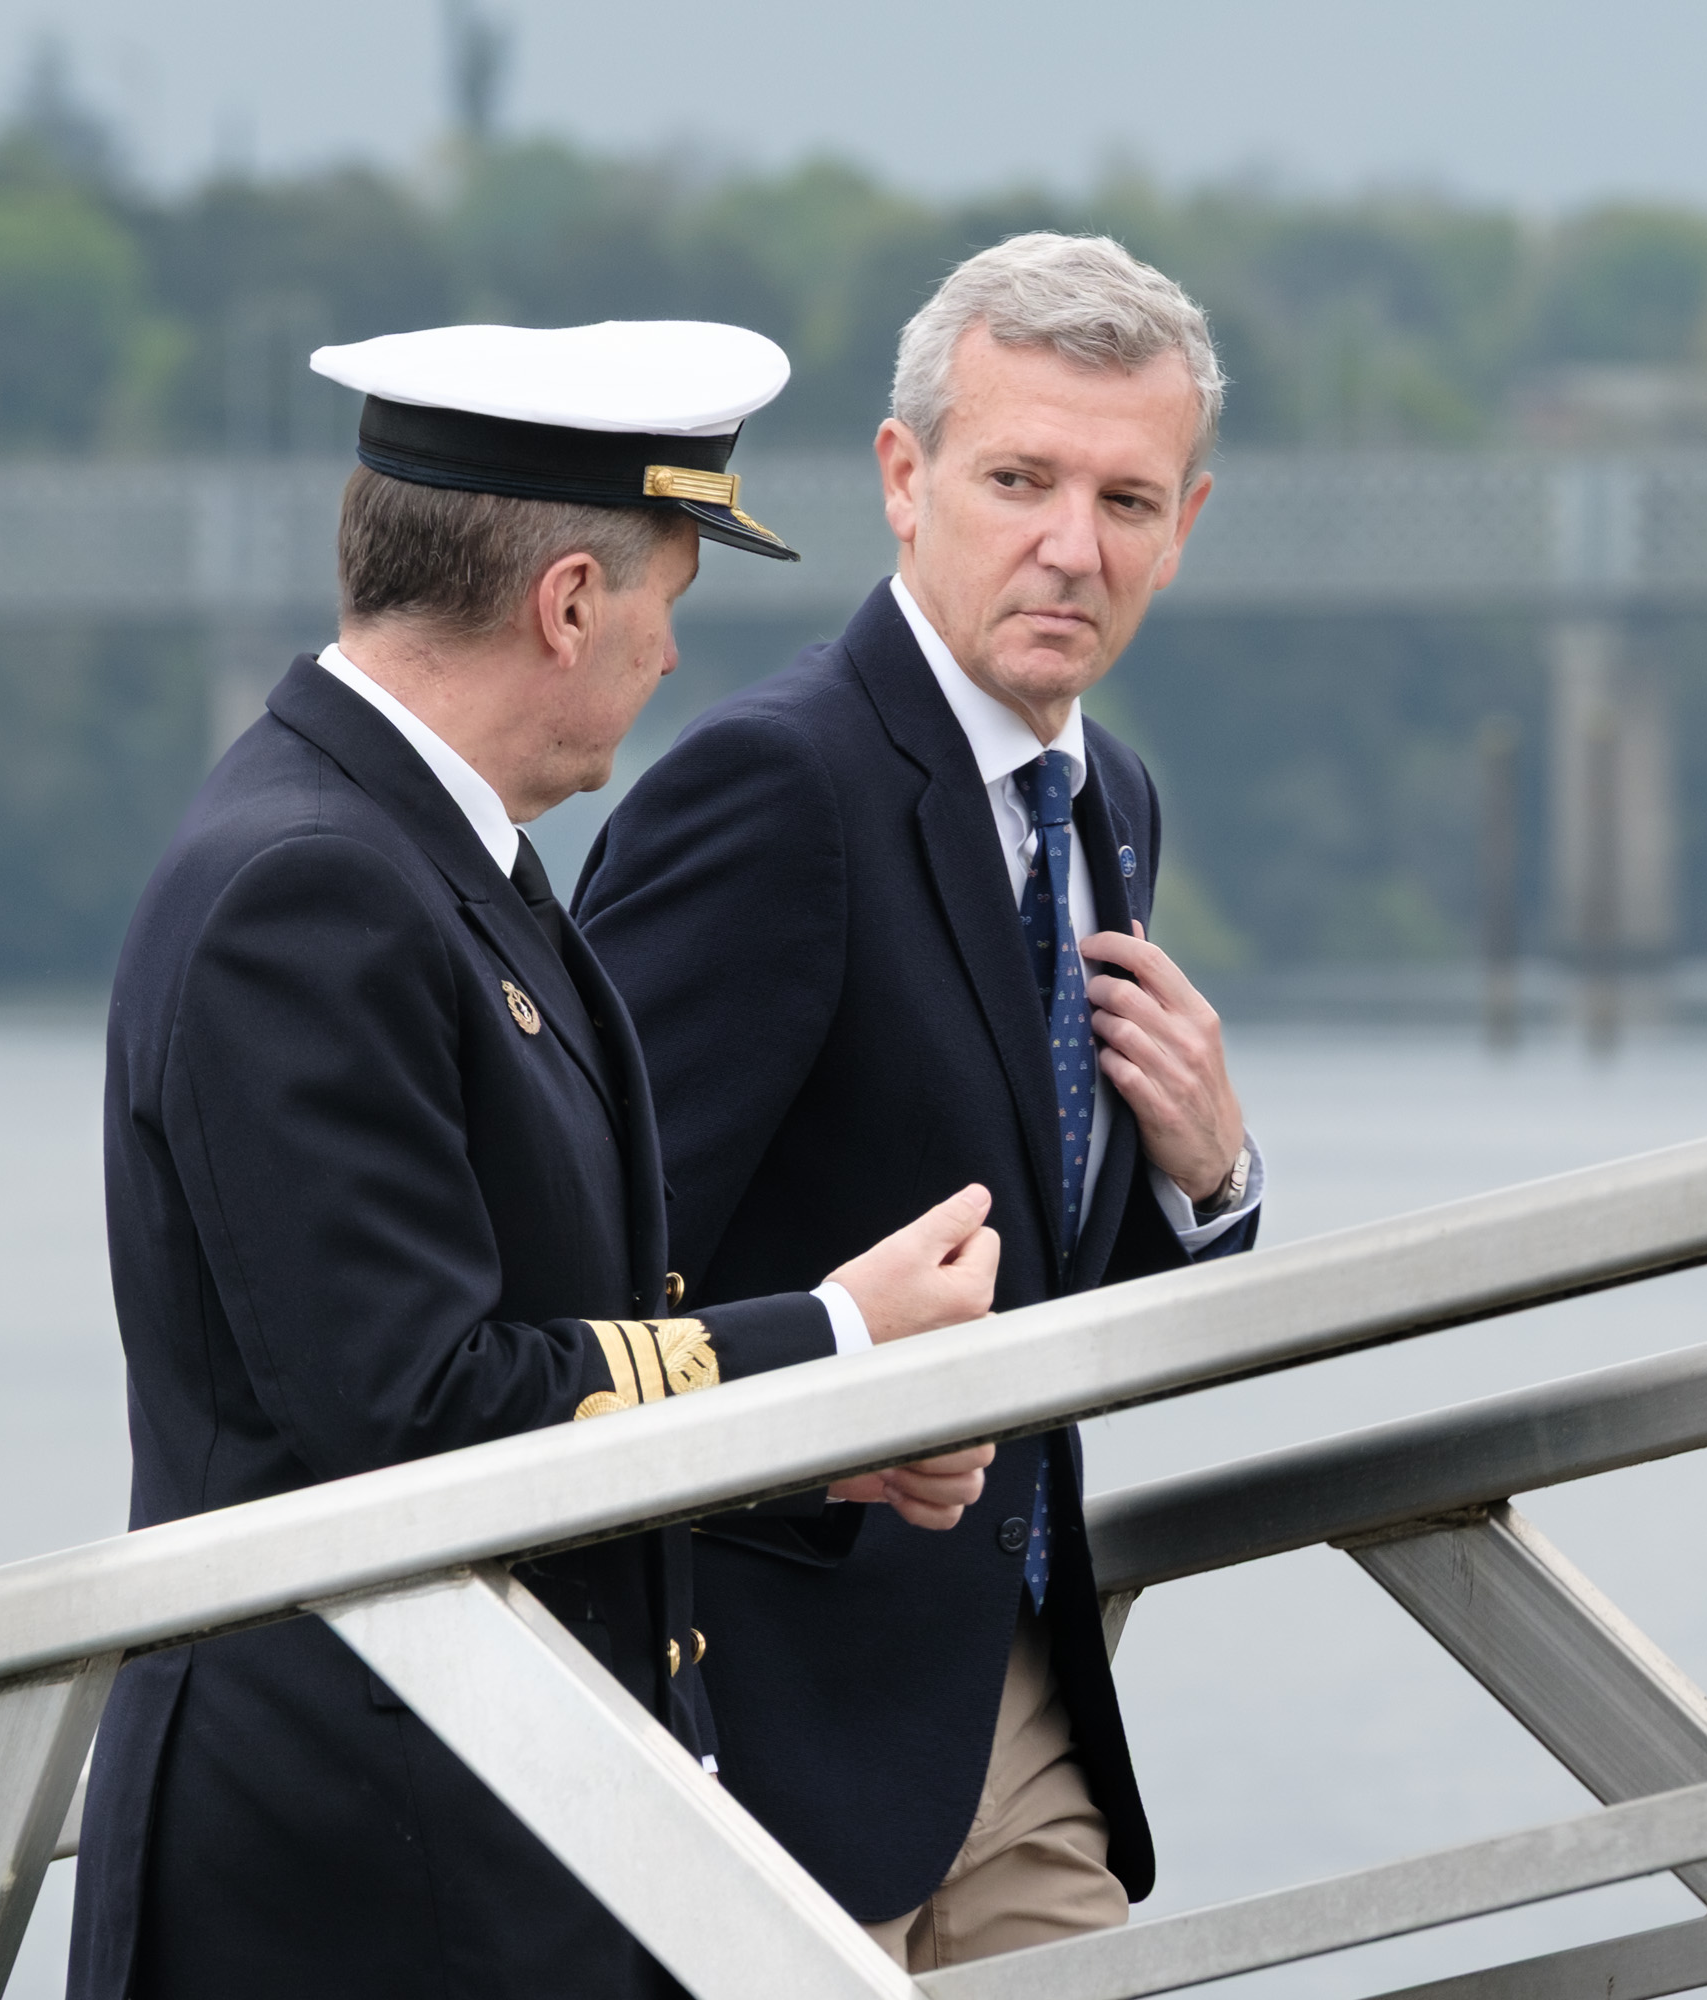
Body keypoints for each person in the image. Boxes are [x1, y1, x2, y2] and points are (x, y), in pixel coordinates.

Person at [69, 318, 1003, 2000]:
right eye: (667, 603)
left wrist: (813, 1451)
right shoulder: (312, 891)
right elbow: (415, 1411)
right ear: (569, 603)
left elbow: (542, 1349)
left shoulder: (423, 856)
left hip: (479, 1829)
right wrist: (838, 1342)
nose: (669, 657)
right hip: (356, 1881)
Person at [573, 235, 1261, 1970]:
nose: (1072, 545)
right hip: (770, 1724)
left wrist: (1209, 1181)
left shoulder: (1112, 803)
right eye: (1020, 480)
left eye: (1126, 499)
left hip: (1019, 1706)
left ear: (1183, 525)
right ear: (904, 477)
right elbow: (575, 1282)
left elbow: (1040, 1285)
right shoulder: (773, 788)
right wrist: (831, 1403)